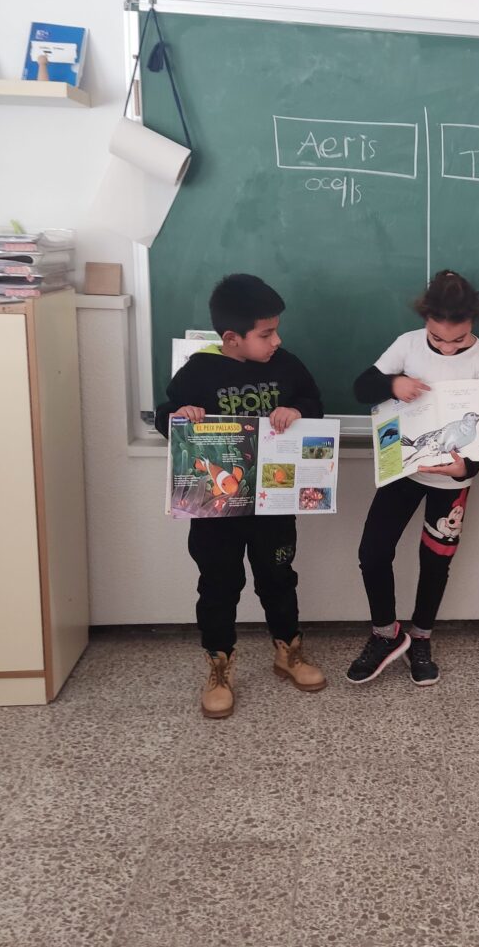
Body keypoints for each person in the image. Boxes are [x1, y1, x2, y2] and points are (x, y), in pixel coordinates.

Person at [155, 273, 327, 718]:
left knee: (278, 577)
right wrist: (181, 414)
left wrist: (298, 410)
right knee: (218, 584)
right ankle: (219, 665)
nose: (276, 340)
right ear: (232, 338)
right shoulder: (198, 370)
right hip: (216, 509)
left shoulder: (286, 365)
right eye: (266, 334)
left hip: (273, 503)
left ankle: (288, 651)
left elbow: (314, 403)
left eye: (276, 330)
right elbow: (165, 415)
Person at [346, 269, 479, 687]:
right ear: (425, 320)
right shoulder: (408, 344)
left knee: (436, 563)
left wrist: (466, 469)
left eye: (459, 339)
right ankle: (386, 634)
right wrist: (393, 383)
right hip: (405, 471)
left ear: (473, 322)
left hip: (452, 481)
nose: (448, 347)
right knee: (373, 552)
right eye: (438, 338)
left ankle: (421, 638)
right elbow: (362, 387)